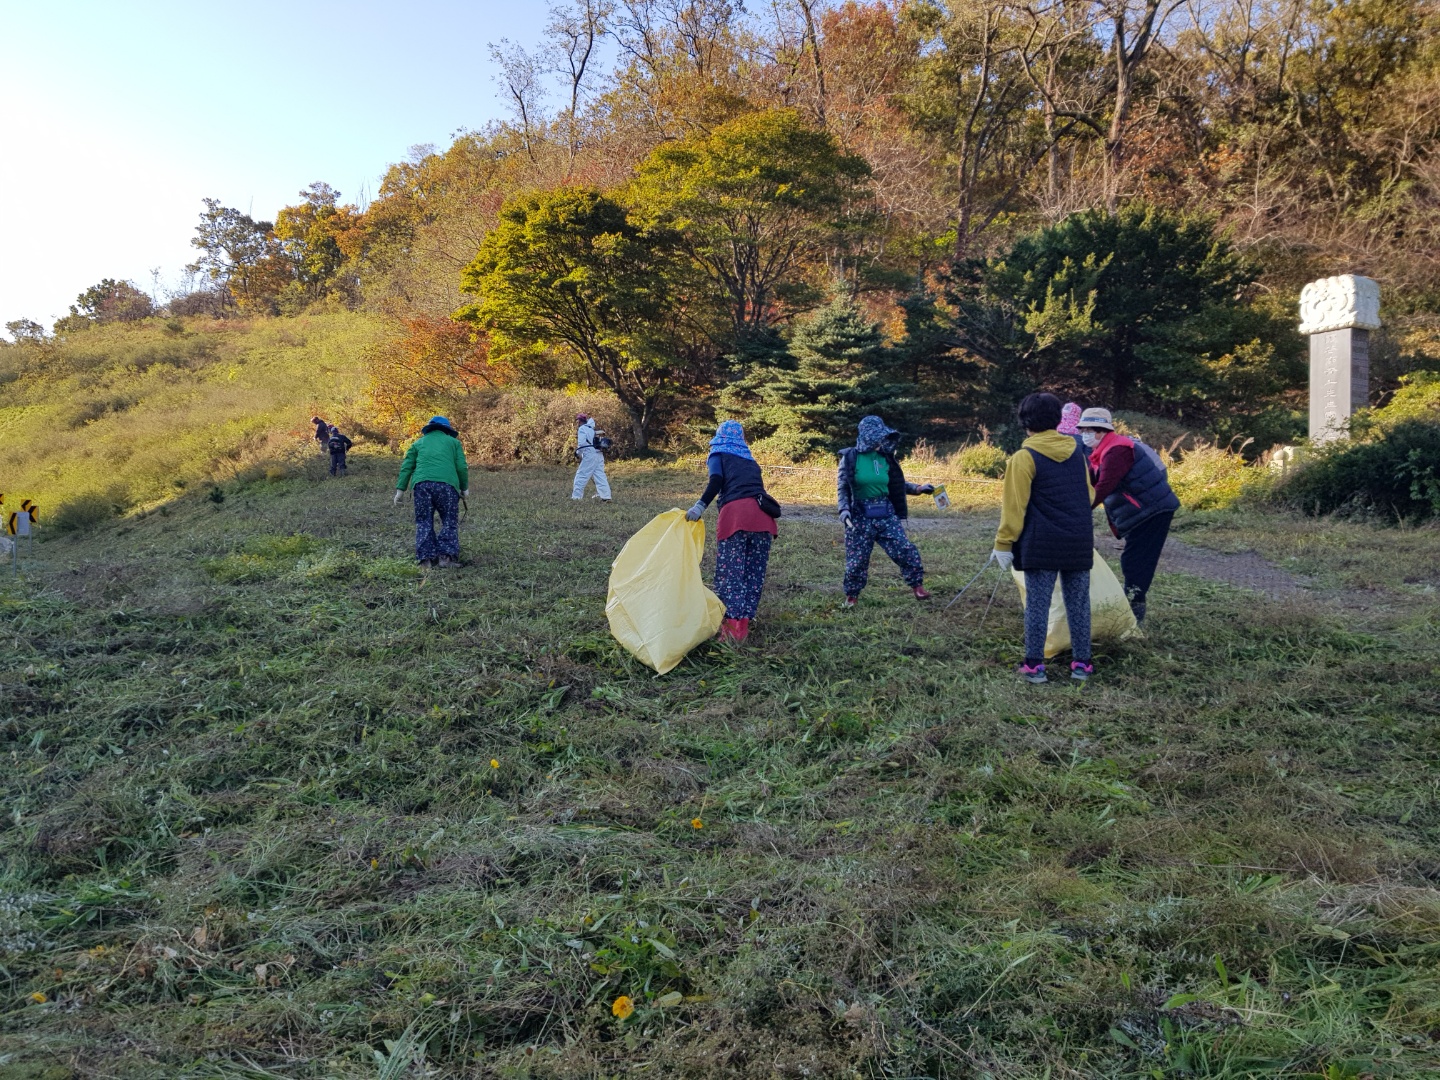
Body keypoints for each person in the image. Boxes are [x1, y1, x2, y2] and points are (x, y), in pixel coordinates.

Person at [993, 392, 1096, 683]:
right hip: (1078, 539)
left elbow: (1015, 506)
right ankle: (1082, 664)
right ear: (1057, 419)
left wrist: (1003, 543)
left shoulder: (1024, 457)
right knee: (1079, 602)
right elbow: (1089, 495)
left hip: (1041, 541)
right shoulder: (1077, 453)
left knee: (1038, 604)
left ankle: (1034, 666)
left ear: (1024, 421)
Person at [1076, 407, 1180, 625]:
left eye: (1091, 430)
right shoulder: (1101, 451)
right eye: (1083, 429)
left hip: (1152, 510)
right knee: (1134, 559)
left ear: (1103, 431)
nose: (1085, 434)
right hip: (1143, 510)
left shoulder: (1117, 450)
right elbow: (1092, 485)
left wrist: (1079, 512)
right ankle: (1132, 606)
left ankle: (1134, 609)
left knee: (1137, 561)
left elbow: (1103, 487)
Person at [685, 420, 777, 644]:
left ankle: (732, 629)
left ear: (720, 435)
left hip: (737, 517)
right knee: (753, 573)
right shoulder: (750, 459)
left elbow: (716, 480)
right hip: (764, 519)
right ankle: (744, 624)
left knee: (731, 574)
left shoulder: (718, 454)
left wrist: (699, 506)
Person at [836, 415, 935, 607]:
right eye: (876, 436)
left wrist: (918, 488)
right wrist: (844, 509)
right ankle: (852, 596)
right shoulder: (850, 457)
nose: (880, 440)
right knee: (857, 559)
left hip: (886, 513)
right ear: (866, 436)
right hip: (859, 515)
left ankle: (918, 586)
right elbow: (843, 487)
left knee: (904, 548)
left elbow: (896, 484)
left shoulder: (885, 457)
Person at [393, 415, 469, 569]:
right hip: (447, 486)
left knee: (424, 521)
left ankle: (426, 559)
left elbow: (406, 467)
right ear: (447, 430)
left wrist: (400, 491)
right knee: (449, 520)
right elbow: (461, 467)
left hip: (422, 486)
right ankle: (446, 558)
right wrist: (464, 488)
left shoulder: (417, 443)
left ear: (429, 429)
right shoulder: (454, 443)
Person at [572, 413, 612, 502]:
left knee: (581, 475)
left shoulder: (582, 429)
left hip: (590, 455)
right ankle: (606, 497)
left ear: (579, 421)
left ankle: (576, 497)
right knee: (600, 476)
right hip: (599, 455)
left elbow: (582, 444)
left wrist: (578, 453)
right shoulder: (591, 429)